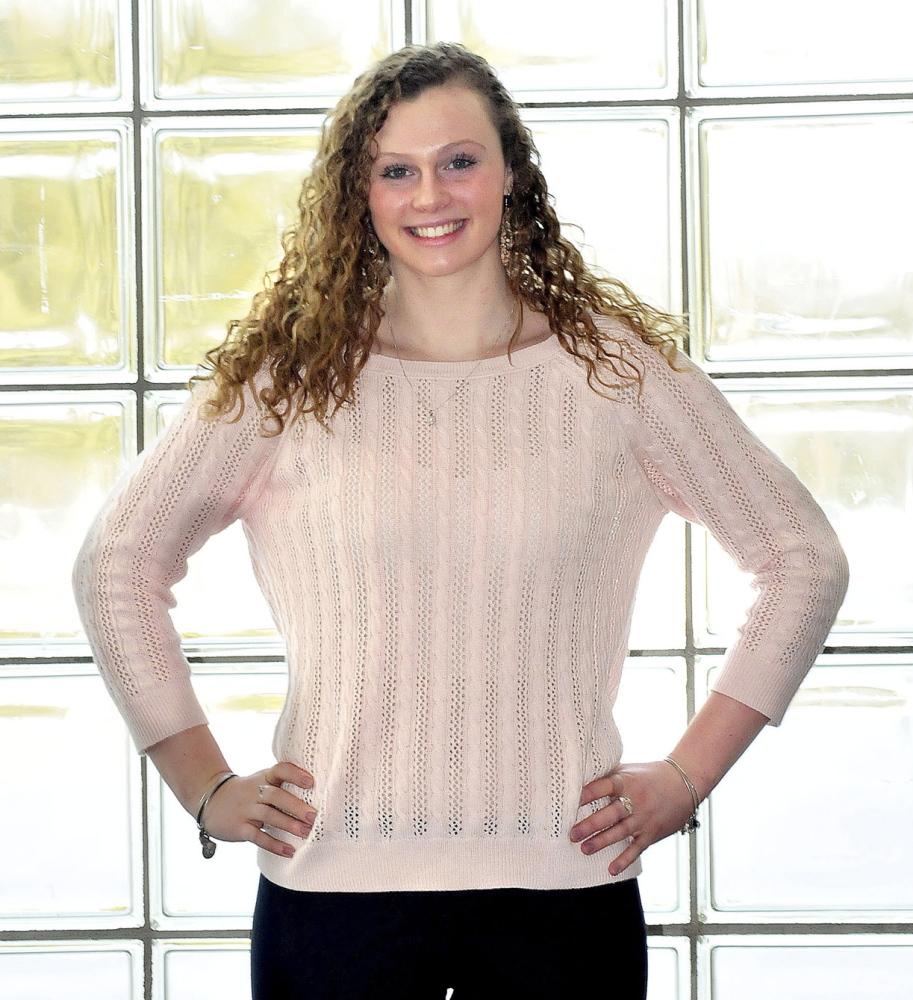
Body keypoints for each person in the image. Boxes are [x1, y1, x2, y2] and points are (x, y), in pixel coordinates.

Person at [74, 43, 848, 1000]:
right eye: (394, 170)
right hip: (332, 896)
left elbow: (801, 559)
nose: (428, 194)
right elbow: (116, 567)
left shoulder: (617, 373)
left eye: (458, 161)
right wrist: (204, 785)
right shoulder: (285, 382)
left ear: (511, 171)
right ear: (358, 194)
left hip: (564, 892)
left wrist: (687, 778)